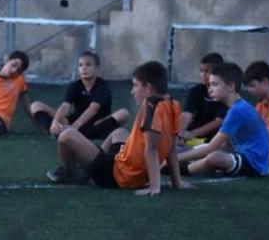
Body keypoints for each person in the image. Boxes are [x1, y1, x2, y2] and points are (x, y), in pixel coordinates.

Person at [47, 61, 192, 196]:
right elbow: (171, 147)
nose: (132, 92)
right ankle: (88, 169)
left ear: (148, 88)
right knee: (120, 132)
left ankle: (71, 173)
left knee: (67, 135)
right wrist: (177, 182)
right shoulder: (173, 104)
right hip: (122, 163)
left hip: (114, 176)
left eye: (135, 86)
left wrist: (154, 187)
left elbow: (151, 149)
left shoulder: (151, 106)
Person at [177, 62, 269, 178]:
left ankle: (180, 169)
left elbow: (211, 148)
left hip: (254, 164)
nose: (210, 90)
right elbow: (226, 145)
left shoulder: (238, 111)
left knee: (214, 157)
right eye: (209, 85)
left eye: (214, 85)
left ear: (231, 86)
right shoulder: (236, 107)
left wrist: (176, 159)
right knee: (204, 150)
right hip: (245, 156)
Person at [30, 51, 129, 140]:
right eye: (80, 65)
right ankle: (55, 132)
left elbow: (93, 108)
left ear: (97, 68)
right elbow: (65, 106)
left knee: (123, 113)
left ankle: (78, 134)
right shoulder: (75, 85)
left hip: (96, 124)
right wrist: (55, 122)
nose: (84, 68)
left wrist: (75, 126)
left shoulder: (103, 85)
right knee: (36, 105)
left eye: (88, 65)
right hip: (74, 121)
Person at [179, 52, 227, 144]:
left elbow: (219, 121)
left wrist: (193, 133)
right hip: (194, 137)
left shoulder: (224, 94)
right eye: (201, 71)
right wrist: (178, 134)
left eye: (207, 71)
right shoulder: (196, 91)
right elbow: (186, 114)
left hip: (215, 139)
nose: (203, 75)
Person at [244, 60, 269, 166]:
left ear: (265, 81)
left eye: (252, 85)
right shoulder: (259, 106)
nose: (250, 90)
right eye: (248, 87)